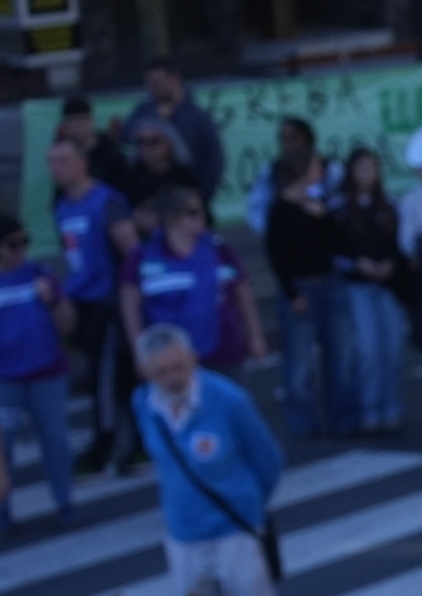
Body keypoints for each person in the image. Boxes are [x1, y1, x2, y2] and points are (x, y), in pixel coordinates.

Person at [130, 323, 282, 596]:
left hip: (234, 529)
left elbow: (267, 460)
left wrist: (249, 506)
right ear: (145, 371)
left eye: (179, 367)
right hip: (183, 533)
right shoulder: (143, 402)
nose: (173, 379)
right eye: (162, 372)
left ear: (194, 360)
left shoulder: (229, 400)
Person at [251, 116, 348, 437]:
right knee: (300, 363)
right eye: (316, 168)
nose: (321, 171)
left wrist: (325, 217)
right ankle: (303, 421)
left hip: (329, 283)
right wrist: (292, 293)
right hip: (301, 287)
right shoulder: (280, 209)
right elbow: (278, 256)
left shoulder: (321, 205)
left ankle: (340, 417)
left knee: (339, 357)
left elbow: (337, 243)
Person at [45, 134, 133, 472]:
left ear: (82, 163)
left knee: (105, 379)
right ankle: (129, 439)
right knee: (108, 377)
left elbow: (129, 251)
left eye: (64, 161)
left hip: (108, 304)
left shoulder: (105, 201)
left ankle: (104, 444)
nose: (57, 169)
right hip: (81, 300)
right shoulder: (63, 206)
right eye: (52, 163)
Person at [120, 187, 264, 372]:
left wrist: (255, 336)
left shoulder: (220, 249)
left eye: (201, 210)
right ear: (171, 217)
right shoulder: (143, 255)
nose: (201, 216)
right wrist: (139, 351)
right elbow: (130, 307)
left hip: (225, 349)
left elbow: (243, 294)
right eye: (193, 212)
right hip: (169, 361)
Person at [0, 216, 76, 533]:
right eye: (13, 244)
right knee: (3, 448)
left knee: (56, 441)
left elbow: (68, 326)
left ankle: (65, 503)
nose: (21, 250)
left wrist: (54, 301)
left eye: (24, 242)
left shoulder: (41, 274)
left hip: (48, 375)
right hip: (6, 381)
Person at [326, 147, 407, 436]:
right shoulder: (339, 209)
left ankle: (392, 408)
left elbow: (401, 245)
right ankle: (370, 410)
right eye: (361, 168)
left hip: (387, 287)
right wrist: (358, 264)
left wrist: (391, 264)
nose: (367, 174)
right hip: (357, 288)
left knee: (393, 350)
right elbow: (332, 250)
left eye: (372, 168)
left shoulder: (390, 206)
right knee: (369, 351)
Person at [126, 59, 225, 200]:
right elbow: (126, 138)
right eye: (150, 83)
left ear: (174, 79)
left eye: (158, 83)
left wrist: (202, 196)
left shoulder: (196, 116)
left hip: (186, 194)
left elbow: (214, 159)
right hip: (148, 196)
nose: (153, 88)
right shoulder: (144, 111)